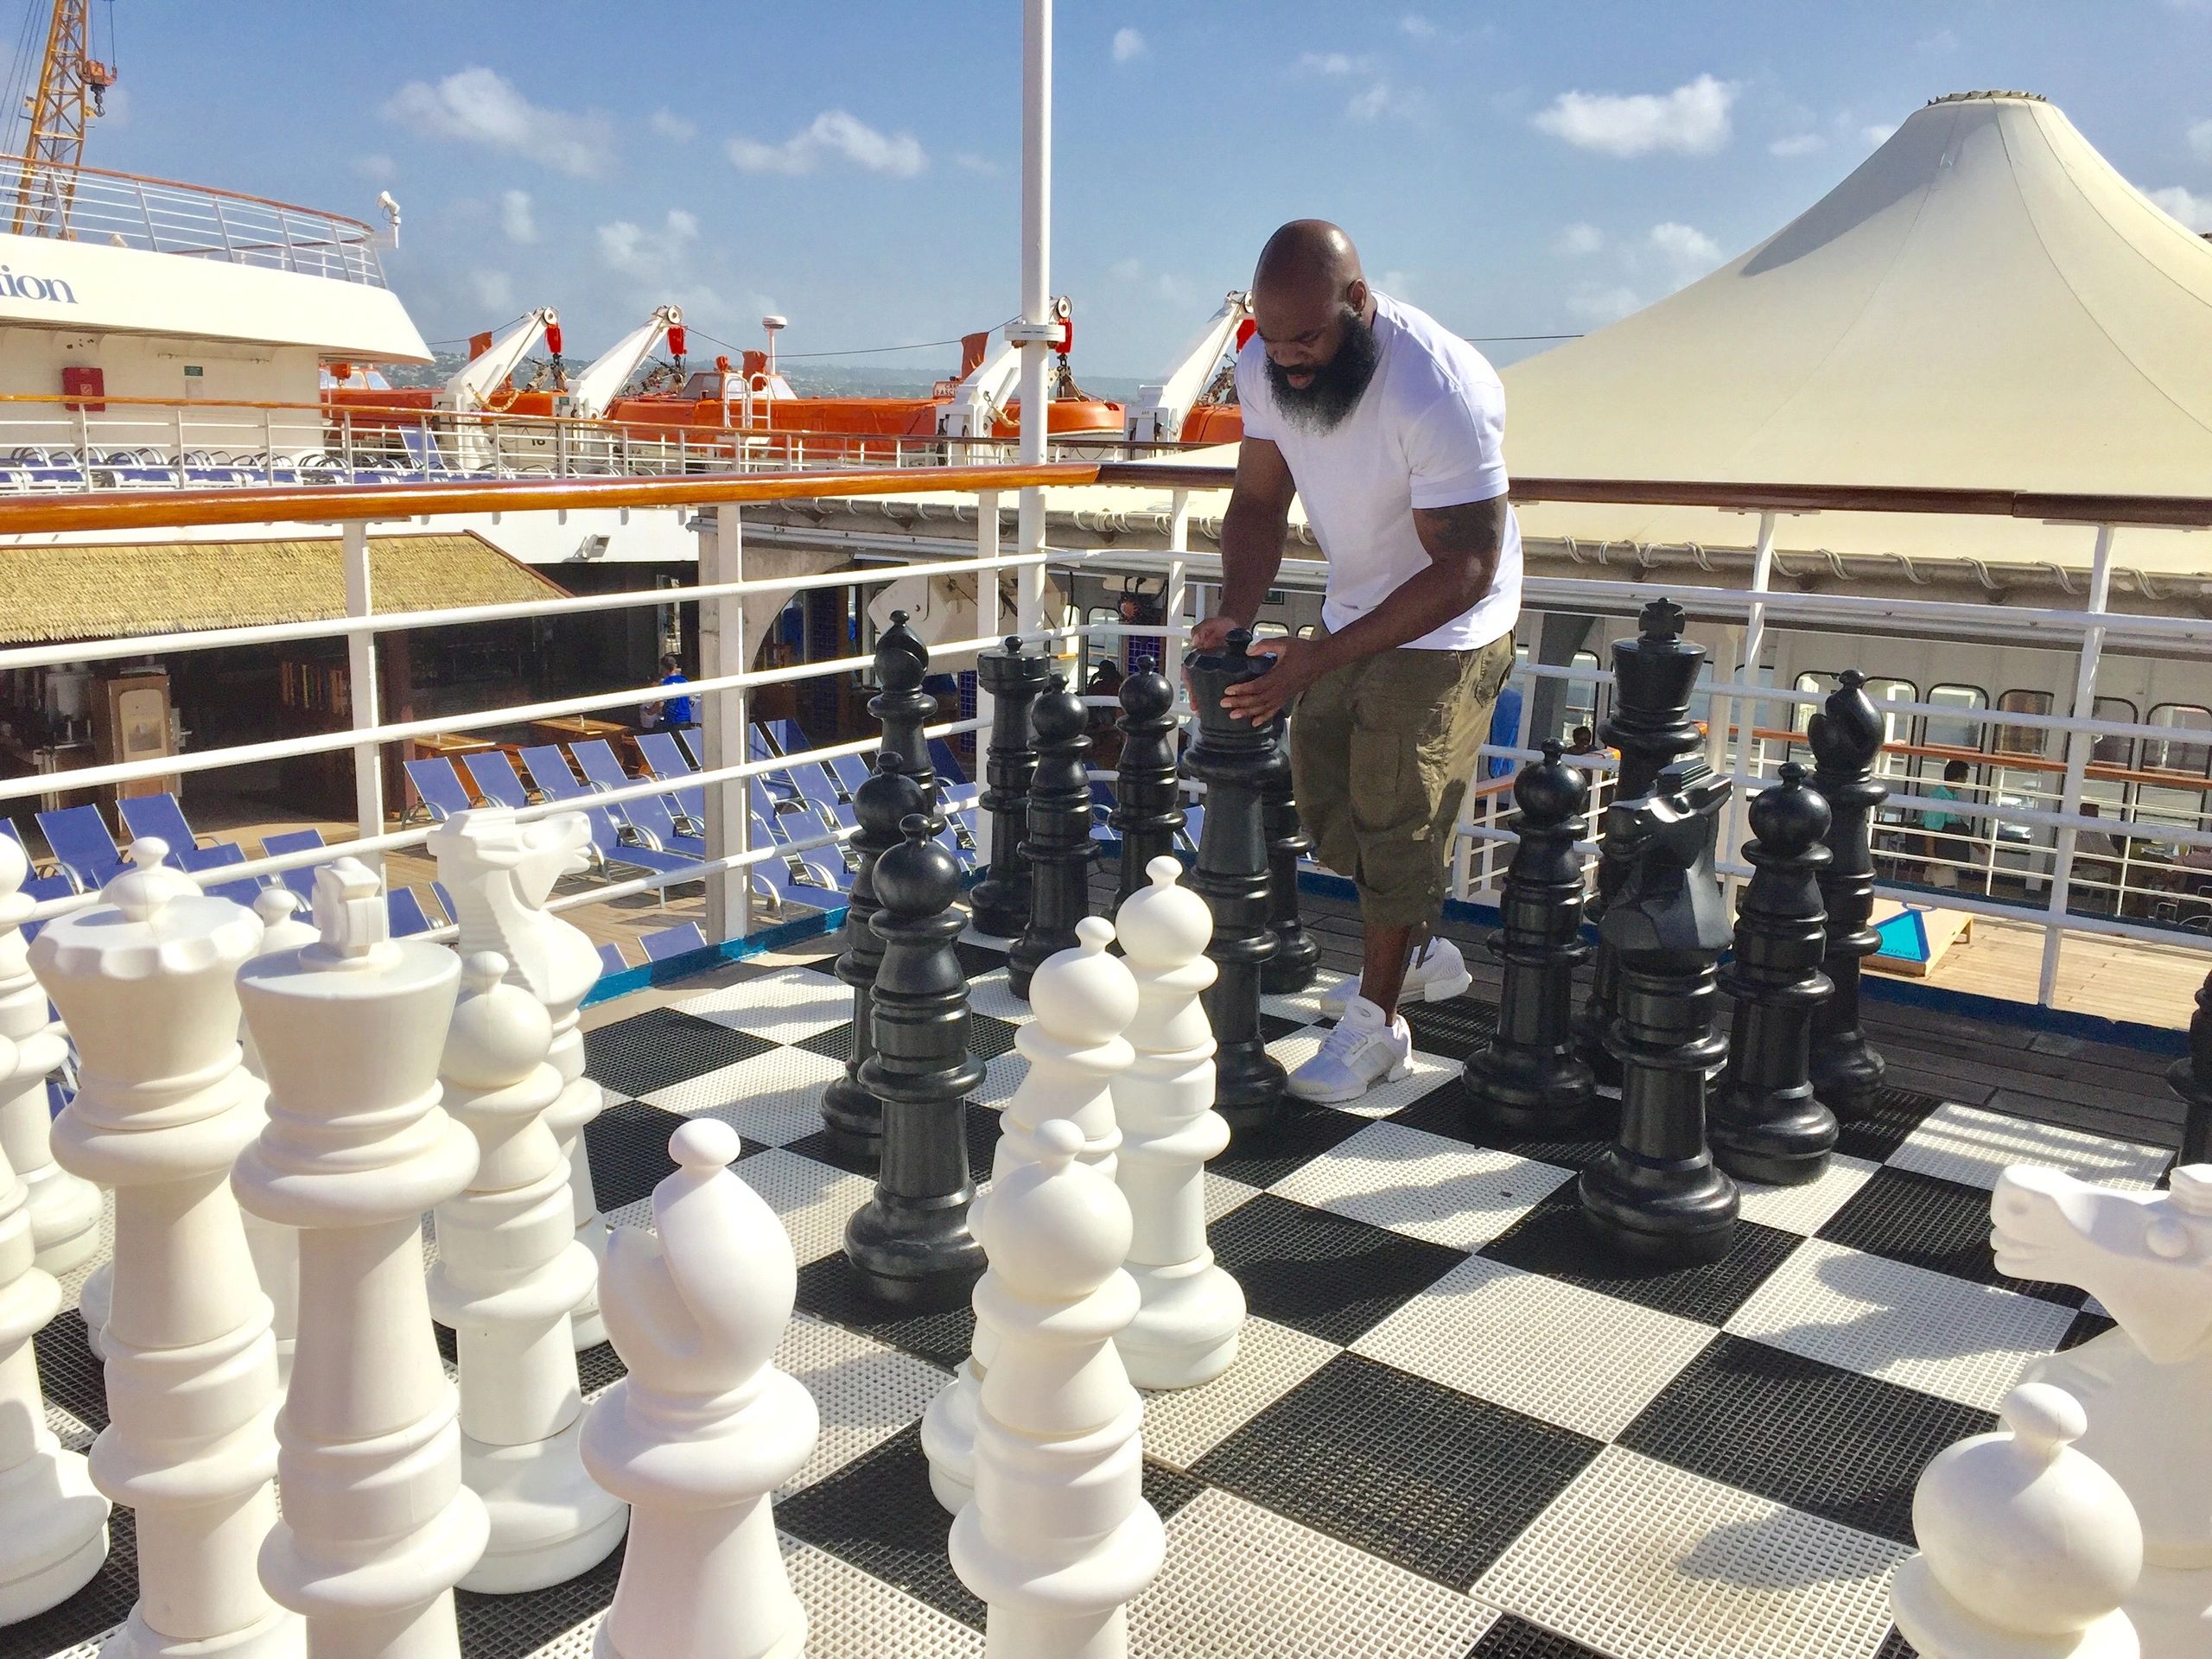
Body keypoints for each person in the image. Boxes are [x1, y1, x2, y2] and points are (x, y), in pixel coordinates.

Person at [1195, 219, 1521, 1105]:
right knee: (1330, 807)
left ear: (1359, 303)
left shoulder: (1436, 389)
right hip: (1356, 609)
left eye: (1307, 338)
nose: (1288, 358)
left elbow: (1467, 565)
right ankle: (1419, 949)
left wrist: (1315, 659)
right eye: (1271, 337)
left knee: (1396, 813)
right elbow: (1257, 501)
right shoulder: (1266, 365)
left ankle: (1381, 1026)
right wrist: (1234, 612)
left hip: (1452, 624)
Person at [1920, 759, 1974, 889]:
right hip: (1942, 853)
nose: (1965, 781)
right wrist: (1932, 857)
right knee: (1947, 888)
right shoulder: (1940, 798)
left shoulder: (1951, 796)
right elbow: (1930, 829)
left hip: (1945, 852)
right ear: (1957, 778)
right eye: (1964, 777)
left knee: (1930, 888)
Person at [644, 653, 696, 734]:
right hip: (685, 719)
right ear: (675, 666)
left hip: (672, 721)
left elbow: (660, 703)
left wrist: (650, 711)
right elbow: (691, 700)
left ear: (663, 668)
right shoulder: (685, 681)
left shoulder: (665, 684)